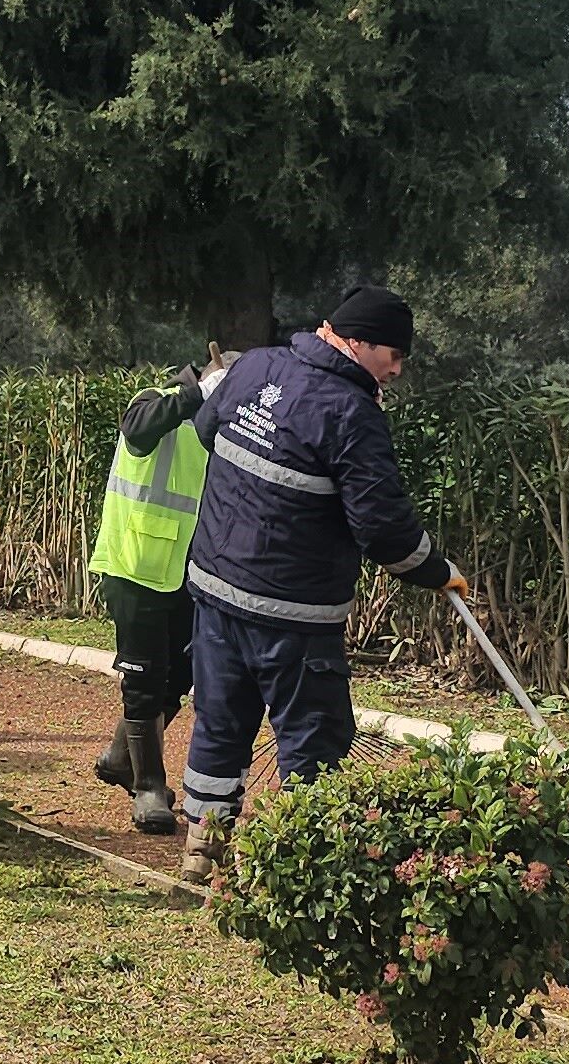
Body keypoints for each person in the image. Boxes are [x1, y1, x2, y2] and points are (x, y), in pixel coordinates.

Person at [173, 285, 465, 882]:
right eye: (394, 354)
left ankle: (203, 846)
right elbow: (383, 529)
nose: (398, 368)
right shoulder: (350, 413)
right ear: (357, 340)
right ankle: (309, 873)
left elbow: (207, 431)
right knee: (314, 742)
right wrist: (438, 572)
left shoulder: (254, 365)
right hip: (293, 615)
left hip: (216, 593)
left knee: (220, 722)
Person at [93, 356, 221, 833]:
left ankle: (120, 757)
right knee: (144, 679)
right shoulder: (153, 404)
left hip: (190, 574)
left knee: (180, 677)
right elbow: (138, 429)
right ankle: (148, 787)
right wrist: (193, 395)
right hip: (137, 565)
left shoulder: (220, 426)